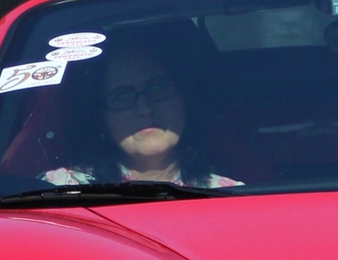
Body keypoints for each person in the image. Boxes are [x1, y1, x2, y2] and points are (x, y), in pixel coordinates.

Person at [42, 34, 241, 189]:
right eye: (122, 97)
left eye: (158, 88)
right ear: (100, 117)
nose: (145, 109)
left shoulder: (230, 197)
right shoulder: (56, 191)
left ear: (184, 99)